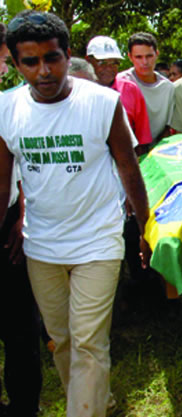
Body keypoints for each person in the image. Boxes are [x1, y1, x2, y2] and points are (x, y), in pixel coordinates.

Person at [0, 10, 151, 417]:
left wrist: (144, 229)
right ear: (15, 64)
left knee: (88, 343)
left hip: (98, 242)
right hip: (42, 246)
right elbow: (1, 185)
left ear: (67, 55)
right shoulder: (6, 109)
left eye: (52, 58)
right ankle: (96, 401)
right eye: (30, 62)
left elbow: (128, 169)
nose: (43, 71)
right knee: (62, 340)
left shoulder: (103, 103)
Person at [0, 21, 42, 417]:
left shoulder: (14, 106)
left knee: (18, 327)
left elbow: (31, 165)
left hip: (8, 225)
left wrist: (22, 212)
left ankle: (25, 406)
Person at [86, 35, 153, 155]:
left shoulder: (130, 89)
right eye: (102, 63)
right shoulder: (78, 91)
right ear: (88, 61)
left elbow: (142, 141)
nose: (109, 68)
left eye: (114, 63)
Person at [119, 32, 174, 142]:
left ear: (157, 54)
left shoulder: (168, 87)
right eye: (139, 57)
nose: (145, 62)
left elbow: (168, 126)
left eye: (149, 56)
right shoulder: (121, 82)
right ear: (130, 57)